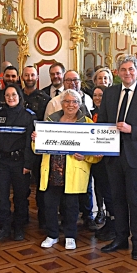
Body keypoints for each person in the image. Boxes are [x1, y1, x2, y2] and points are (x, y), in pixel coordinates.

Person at [97, 55, 137, 260]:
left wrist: (132, 129)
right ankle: (120, 238)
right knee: (116, 199)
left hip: (135, 156)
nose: (127, 73)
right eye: (123, 69)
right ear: (117, 72)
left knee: (134, 200)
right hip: (112, 156)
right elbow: (103, 123)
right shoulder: (110, 93)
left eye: (131, 69)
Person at [35, 89, 102, 250]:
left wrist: (85, 156)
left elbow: (97, 154)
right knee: (50, 206)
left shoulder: (87, 123)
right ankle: (52, 235)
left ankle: (70, 236)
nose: (70, 105)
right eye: (67, 101)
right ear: (62, 103)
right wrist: (35, 139)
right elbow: (37, 148)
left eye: (74, 102)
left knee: (71, 207)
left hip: (73, 173)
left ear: (79, 104)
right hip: (52, 172)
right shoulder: (50, 121)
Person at [0, 84, 36, 242]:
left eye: (14, 95)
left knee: (20, 196)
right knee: (1, 196)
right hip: (1, 162)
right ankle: (4, 226)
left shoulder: (28, 116)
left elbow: (31, 144)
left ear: (20, 96)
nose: (10, 98)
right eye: (8, 95)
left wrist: (28, 165)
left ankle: (19, 227)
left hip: (20, 162)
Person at [21, 65, 51, 227]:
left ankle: (43, 219)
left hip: (39, 147)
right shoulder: (16, 95)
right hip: (21, 147)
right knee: (22, 186)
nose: (30, 78)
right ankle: (22, 219)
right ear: (22, 77)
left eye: (32, 75)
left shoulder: (45, 98)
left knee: (41, 184)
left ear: (37, 77)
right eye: (27, 75)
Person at [90, 85, 115, 239]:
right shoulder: (90, 114)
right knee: (102, 191)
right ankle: (107, 223)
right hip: (96, 161)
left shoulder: (112, 113)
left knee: (111, 194)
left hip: (109, 160)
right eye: (95, 95)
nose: (98, 98)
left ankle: (114, 225)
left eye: (101, 95)